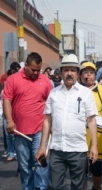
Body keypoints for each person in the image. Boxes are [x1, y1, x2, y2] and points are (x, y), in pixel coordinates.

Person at [36, 54, 99, 190]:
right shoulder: (54, 93)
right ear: (61, 72)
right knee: (54, 186)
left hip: (78, 149)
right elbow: (47, 120)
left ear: (77, 73)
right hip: (57, 148)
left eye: (73, 70)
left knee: (78, 186)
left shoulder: (86, 93)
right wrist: (42, 146)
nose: (69, 73)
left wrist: (94, 146)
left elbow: (92, 120)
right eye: (66, 70)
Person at [3, 52, 52, 190]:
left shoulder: (45, 81)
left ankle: (41, 188)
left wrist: (51, 124)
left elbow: (51, 103)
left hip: (40, 129)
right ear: (26, 66)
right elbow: (6, 100)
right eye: (33, 70)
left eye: (39, 70)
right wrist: (9, 121)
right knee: (24, 166)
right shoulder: (13, 79)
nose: (36, 73)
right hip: (19, 131)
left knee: (40, 163)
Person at [79, 61, 102, 190]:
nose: (88, 75)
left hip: (97, 134)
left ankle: (97, 187)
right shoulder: (76, 90)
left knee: (97, 169)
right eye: (85, 72)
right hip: (80, 134)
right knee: (81, 170)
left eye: (91, 73)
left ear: (95, 75)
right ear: (80, 75)